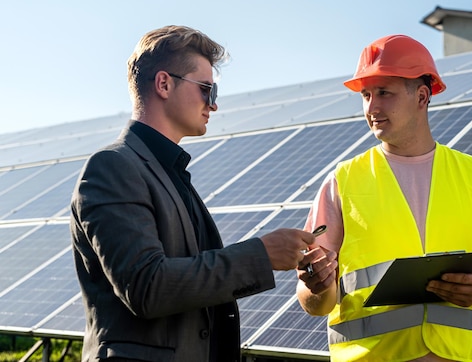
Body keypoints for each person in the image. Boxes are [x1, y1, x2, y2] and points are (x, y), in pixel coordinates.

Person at [70, 25, 316, 362]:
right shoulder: (113, 167)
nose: (213, 105)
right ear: (164, 84)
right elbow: (148, 287)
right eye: (206, 90)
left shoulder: (169, 174)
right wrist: (261, 255)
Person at [295, 34, 472, 362]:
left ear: (422, 96)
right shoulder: (341, 182)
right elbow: (312, 301)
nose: (372, 107)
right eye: (365, 95)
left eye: (384, 93)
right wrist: (317, 287)